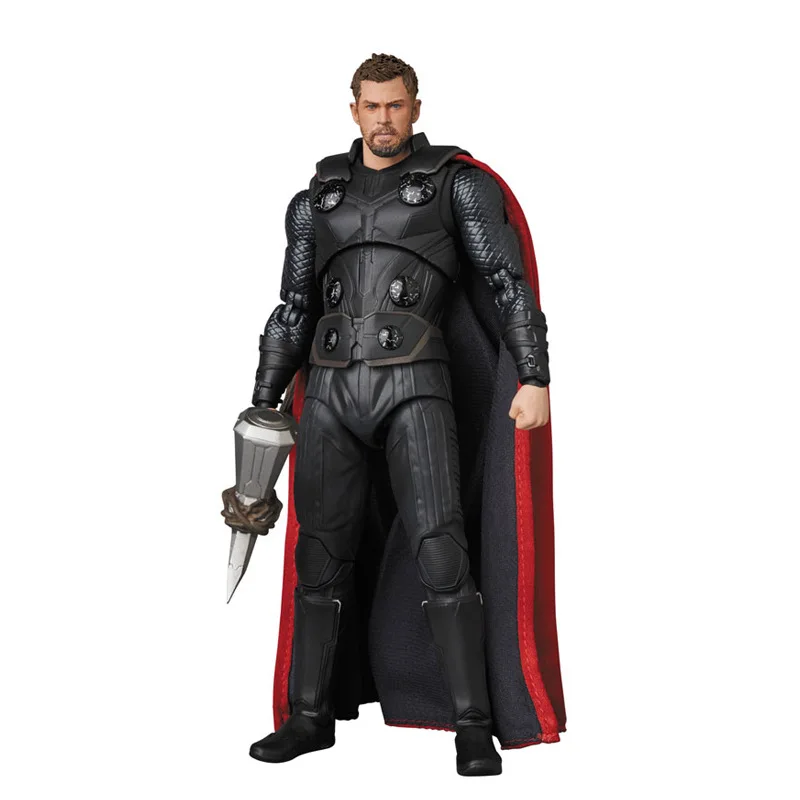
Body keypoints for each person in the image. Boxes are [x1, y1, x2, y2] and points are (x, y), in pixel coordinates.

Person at [246, 53, 564, 776]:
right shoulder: (317, 197)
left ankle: (473, 725)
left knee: (443, 552)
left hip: (416, 386)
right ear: (353, 109)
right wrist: (264, 399)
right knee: (318, 557)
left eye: (395, 105)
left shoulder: (456, 184)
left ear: (415, 107)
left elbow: (507, 284)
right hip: (331, 395)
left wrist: (534, 375)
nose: (384, 119)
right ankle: (308, 716)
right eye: (372, 106)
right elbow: (294, 307)